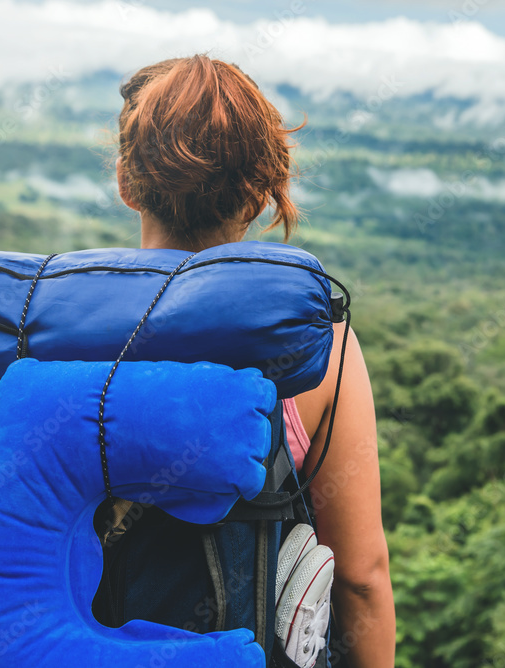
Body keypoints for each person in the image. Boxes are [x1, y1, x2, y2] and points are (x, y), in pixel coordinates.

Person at [114, 54, 396, 667]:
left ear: (126, 181)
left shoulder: (54, 324)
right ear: (261, 192)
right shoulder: (320, 344)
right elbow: (362, 576)